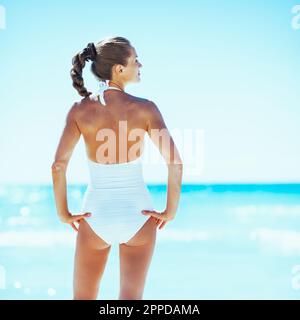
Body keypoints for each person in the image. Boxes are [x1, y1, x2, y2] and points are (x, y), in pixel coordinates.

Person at [51, 36, 183, 300]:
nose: (140, 65)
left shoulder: (79, 110)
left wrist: (63, 213)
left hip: (95, 214)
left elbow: (58, 166)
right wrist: (170, 211)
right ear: (118, 69)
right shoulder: (145, 109)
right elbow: (175, 163)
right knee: (130, 299)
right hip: (138, 212)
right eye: (135, 60)